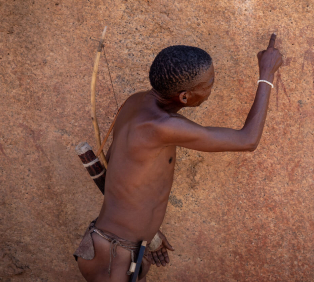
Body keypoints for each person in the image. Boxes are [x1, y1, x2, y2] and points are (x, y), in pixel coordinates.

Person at [75, 34, 283, 281]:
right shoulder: (162, 126)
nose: (212, 86)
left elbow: (121, 175)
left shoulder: (136, 101)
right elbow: (248, 140)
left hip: (121, 248)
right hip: (114, 255)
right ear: (184, 97)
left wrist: (149, 233)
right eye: (209, 83)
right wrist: (267, 73)